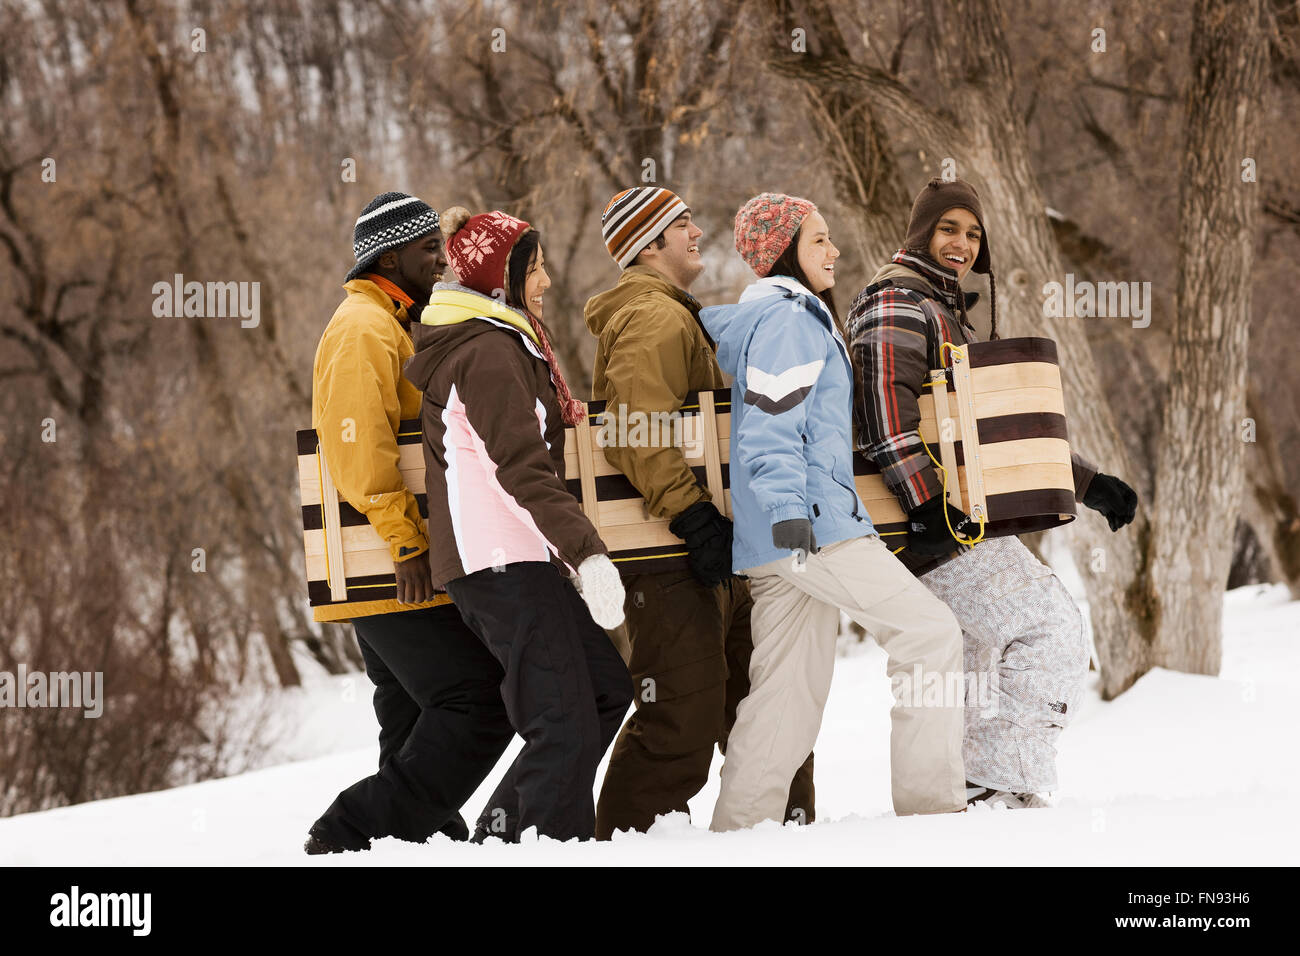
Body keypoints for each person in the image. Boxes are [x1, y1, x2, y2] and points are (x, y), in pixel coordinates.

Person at [846, 177, 1138, 808]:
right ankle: (997, 783)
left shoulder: (947, 311)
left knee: (983, 651)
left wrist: (1088, 484)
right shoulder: (896, 303)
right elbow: (882, 419)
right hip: (922, 528)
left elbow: (994, 433)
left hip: (952, 521)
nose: (962, 244)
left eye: (974, 233)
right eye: (948, 228)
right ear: (920, 232)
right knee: (1048, 625)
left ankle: (973, 791)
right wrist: (926, 509)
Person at [701, 193, 968, 831]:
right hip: (812, 526)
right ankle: (933, 815)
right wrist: (793, 510)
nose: (836, 251)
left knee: (786, 696)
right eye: (819, 239)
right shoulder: (791, 322)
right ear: (784, 249)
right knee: (930, 635)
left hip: (778, 537)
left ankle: (737, 833)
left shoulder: (786, 319)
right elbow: (769, 426)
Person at [584, 187, 816, 838]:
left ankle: (789, 841)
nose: (697, 232)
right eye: (682, 224)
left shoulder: (675, 314)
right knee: (680, 719)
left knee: (765, 711)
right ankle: (630, 847)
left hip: (715, 549)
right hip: (672, 553)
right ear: (649, 244)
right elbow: (631, 427)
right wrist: (691, 517)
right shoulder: (651, 317)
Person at [404, 206, 634, 842]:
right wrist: (587, 553)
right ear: (502, 279)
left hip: (520, 558)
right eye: (536, 269)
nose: (548, 281)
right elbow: (521, 468)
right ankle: (532, 848)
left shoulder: (502, 344)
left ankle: (502, 836)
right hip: (499, 561)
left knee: (602, 693)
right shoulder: (486, 352)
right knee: (563, 720)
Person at [305, 192, 515, 854]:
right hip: (388, 558)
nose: (442, 258)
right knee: (478, 698)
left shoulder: (394, 321)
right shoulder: (363, 330)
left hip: (392, 556)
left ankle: (419, 843)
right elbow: (356, 449)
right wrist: (404, 541)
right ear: (390, 255)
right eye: (429, 249)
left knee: (416, 716)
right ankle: (350, 830)